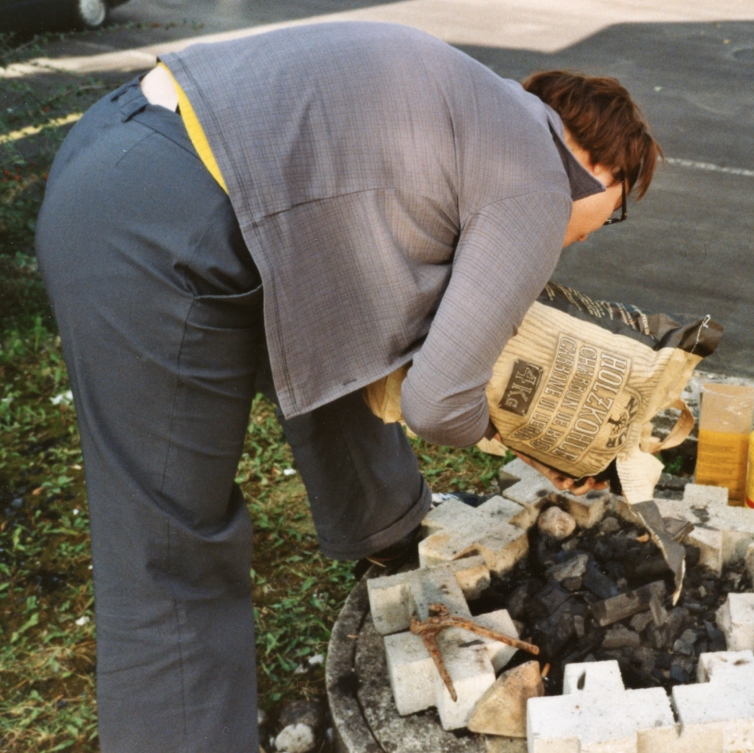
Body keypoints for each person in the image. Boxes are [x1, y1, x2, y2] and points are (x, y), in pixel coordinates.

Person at [34, 20, 661, 753]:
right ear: (598, 168)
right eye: (612, 213)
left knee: (343, 326)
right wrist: (513, 430)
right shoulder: (539, 180)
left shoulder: (473, 107)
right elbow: (436, 403)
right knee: (170, 552)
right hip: (151, 230)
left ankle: (387, 528)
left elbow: (353, 320)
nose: (586, 233)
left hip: (123, 139)